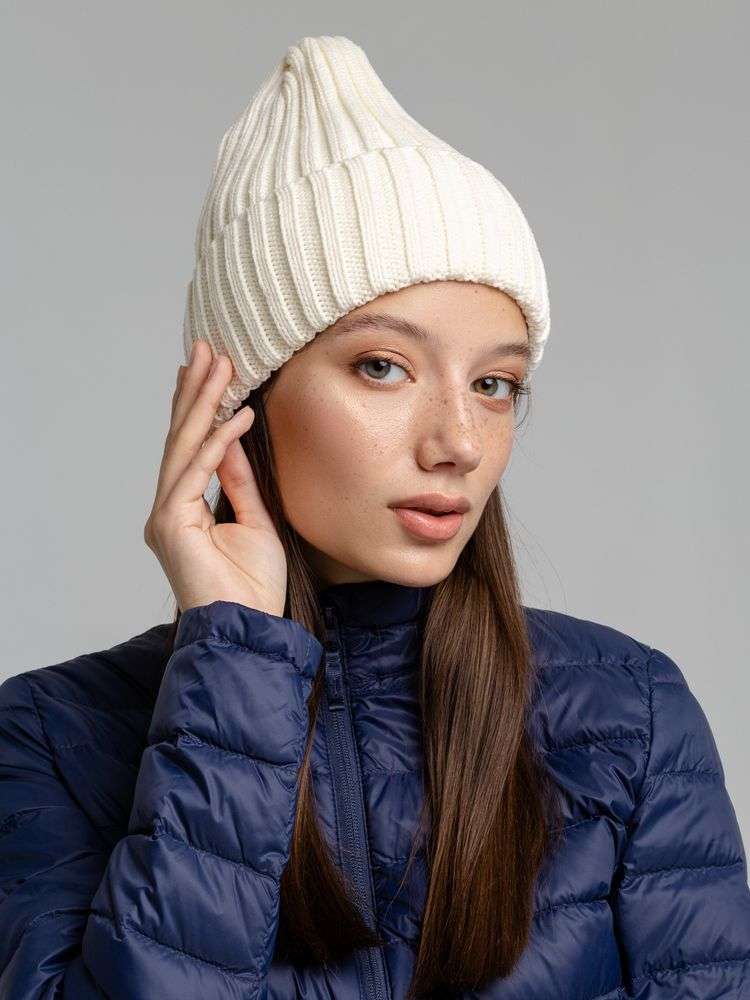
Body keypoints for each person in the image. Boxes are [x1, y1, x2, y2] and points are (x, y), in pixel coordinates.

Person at [1, 32, 748, 1000]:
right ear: (238, 400)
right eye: (383, 366)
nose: (459, 442)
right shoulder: (48, 736)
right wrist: (234, 661)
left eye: (494, 383)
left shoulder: (630, 715)